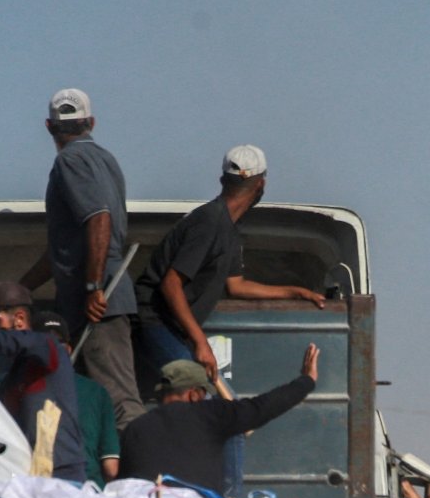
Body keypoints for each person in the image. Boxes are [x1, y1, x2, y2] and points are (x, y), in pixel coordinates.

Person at [133, 145, 326, 392]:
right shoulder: (209, 222)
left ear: (223, 179)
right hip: (155, 321)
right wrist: (201, 342)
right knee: (195, 394)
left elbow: (237, 286)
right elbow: (171, 284)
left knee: (222, 405)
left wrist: (296, 292)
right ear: (261, 185)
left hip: (174, 329)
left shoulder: (229, 228)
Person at [20, 89, 142, 428]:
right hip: (97, 298)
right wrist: (20, 288)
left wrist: (93, 287)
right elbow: (64, 248)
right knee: (94, 405)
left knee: (117, 403)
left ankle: (145, 479)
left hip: (98, 302)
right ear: (90, 122)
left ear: (48, 127)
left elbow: (99, 218)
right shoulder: (106, 159)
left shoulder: (69, 161)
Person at [117, 346, 318, 492]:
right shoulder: (208, 414)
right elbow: (262, 407)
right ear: (194, 395)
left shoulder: (135, 428)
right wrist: (306, 381)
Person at [0, 283, 88, 481]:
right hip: (27, 480)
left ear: (20, 319)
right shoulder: (9, 379)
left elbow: (27, 341)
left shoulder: (49, 349)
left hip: (62, 478)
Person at [39, 315, 119, 484]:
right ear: (68, 349)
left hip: (36, 490)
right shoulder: (97, 392)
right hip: (86, 490)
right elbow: (111, 468)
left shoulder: (12, 387)